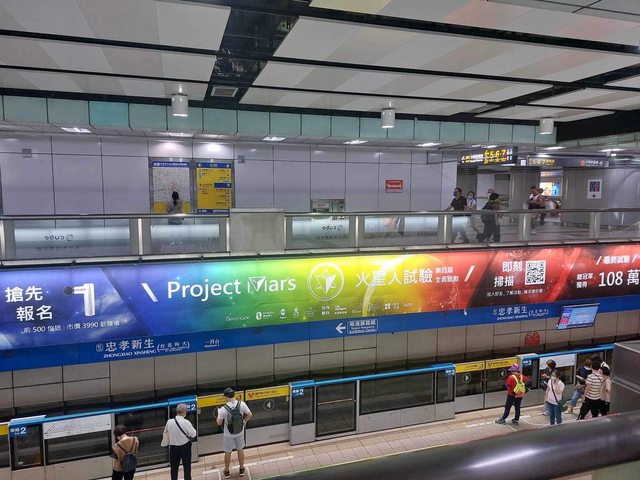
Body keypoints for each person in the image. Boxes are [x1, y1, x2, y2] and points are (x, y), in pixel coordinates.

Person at [217, 388, 253, 479]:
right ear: (234, 395)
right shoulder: (242, 404)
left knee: (228, 452)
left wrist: (218, 414)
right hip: (240, 431)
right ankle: (241, 469)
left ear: (226, 397)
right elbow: (250, 414)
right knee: (240, 450)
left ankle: (227, 471)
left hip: (228, 434)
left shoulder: (223, 409)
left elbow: (219, 423)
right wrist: (244, 421)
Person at [164, 403, 197, 480]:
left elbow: (166, 432)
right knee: (187, 467)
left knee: (174, 468)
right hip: (185, 447)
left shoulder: (169, 422)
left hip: (173, 448)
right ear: (184, 412)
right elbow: (193, 434)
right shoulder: (186, 422)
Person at [544, 360, 565, 425]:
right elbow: (547, 390)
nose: (552, 376)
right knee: (551, 416)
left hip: (557, 403)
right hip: (550, 401)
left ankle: (559, 426)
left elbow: (558, 392)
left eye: (554, 375)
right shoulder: (550, 381)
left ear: (557, 377)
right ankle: (552, 425)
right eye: (552, 375)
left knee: (558, 416)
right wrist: (546, 398)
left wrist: (556, 383)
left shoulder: (561, 384)